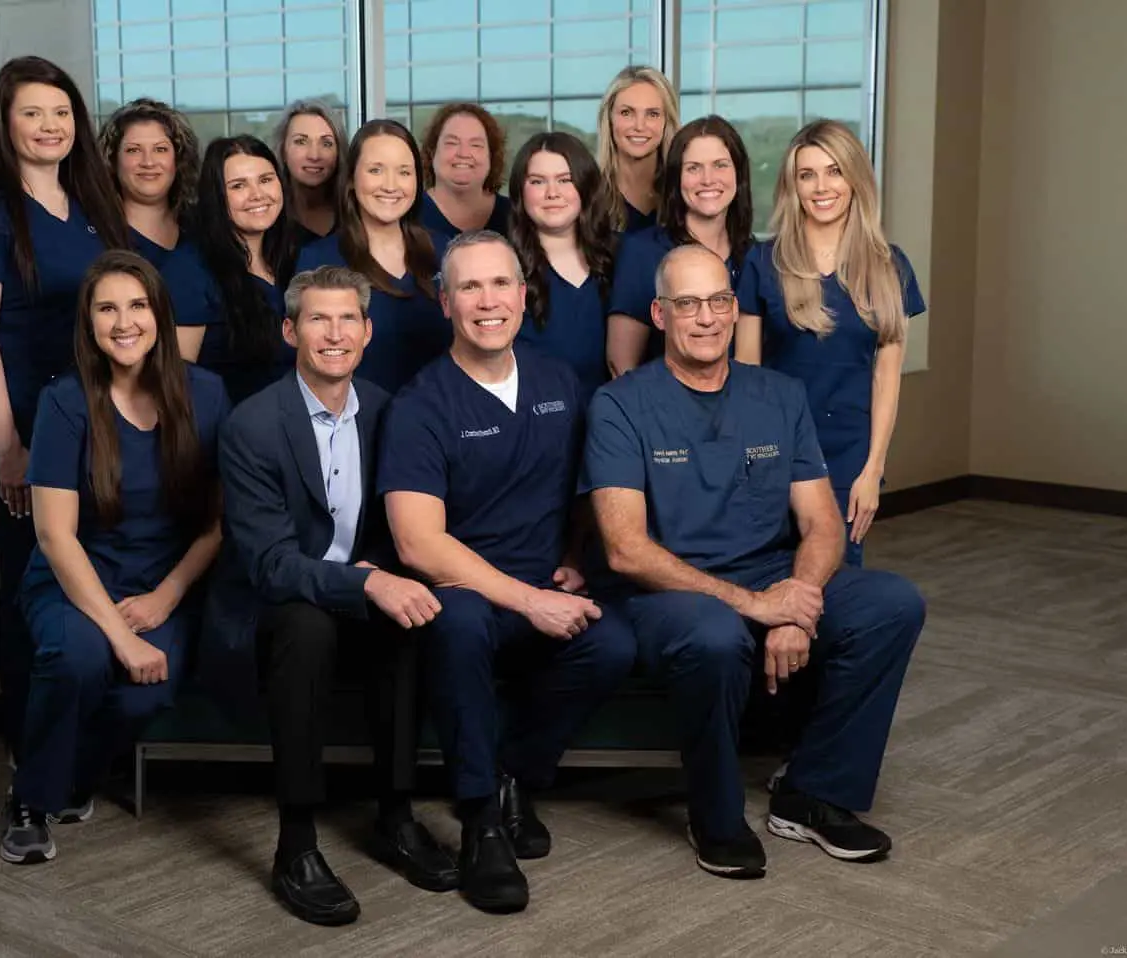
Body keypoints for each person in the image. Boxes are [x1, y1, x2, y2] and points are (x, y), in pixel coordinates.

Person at [582, 244, 925, 880]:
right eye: (687, 303)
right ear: (659, 314)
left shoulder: (779, 395)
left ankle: (815, 792)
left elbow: (822, 522)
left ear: (735, 308)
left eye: (718, 301)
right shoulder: (620, 405)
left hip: (773, 575)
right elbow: (626, 549)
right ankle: (715, 814)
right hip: (667, 593)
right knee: (713, 636)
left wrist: (799, 601)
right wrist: (754, 606)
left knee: (891, 604)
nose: (705, 317)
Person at [379, 230, 636, 914]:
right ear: (445, 302)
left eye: (501, 285)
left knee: (613, 644)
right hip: (467, 592)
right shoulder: (420, 405)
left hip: (544, 585)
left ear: (524, 296)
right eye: (469, 287)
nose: (487, 301)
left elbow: (589, 492)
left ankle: (513, 777)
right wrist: (527, 601)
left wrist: (578, 558)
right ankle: (481, 824)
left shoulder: (559, 383)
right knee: (457, 623)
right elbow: (416, 543)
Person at [199, 264, 458, 926]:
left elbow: (395, 526)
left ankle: (395, 817)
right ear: (291, 330)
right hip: (274, 603)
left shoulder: (386, 408)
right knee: (308, 626)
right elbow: (271, 564)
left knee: (406, 616)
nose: (334, 333)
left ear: (368, 331)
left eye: (348, 319)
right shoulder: (253, 426)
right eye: (318, 319)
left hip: (356, 586)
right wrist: (368, 581)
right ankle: (297, 842)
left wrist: (381, 579)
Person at [0, 251, 230, 865]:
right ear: (90, 322)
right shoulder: (67, 401)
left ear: (159, 314)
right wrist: (118, 634)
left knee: (144, 694)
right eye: (107, 308)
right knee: (78, 656)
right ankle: (30, 798)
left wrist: (166, 598)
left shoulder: (206, 393)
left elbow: (216, 524)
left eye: (137, 305)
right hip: (73, 579)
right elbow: (54, 535)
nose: (124, 322)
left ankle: (74, 776)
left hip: (164, 583)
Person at [0, 55, 129, 767]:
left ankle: (85, 744)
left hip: (93, 422)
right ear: (5, 121)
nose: (49, 126)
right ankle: (31, 754)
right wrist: (6, 445)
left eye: (60, 113)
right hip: (21, 425)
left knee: (95, 573)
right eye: (32, 112)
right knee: (31, 584)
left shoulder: (91, 204)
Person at [735, 120, 927, 566]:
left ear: (855, 178)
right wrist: (753, 462)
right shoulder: (763, 263)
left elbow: (886, 378)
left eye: (834, 171)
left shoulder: (890, 267)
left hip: (848, 458)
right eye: (807, 174)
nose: (822, 186)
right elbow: (746, 376)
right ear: (793, 185)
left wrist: (873, 468)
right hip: (776, 451)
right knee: (770, 578)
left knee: (835, 584)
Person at [296, 119, 451, 393]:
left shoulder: (448, 252)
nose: (391, 185)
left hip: (443, 419)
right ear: (352, 178)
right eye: (376, 170)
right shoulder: (318, 262)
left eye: (404, 172)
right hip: (360, 424)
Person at [607, 115, 754, 377]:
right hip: (659, 412)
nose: (708, 179)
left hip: (740, 412)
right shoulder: (643, 252)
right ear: (677, 179)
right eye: (694, 168)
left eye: (720, 165)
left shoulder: (754, 256)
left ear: (739, 175)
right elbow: (621, 363)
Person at [162, 136, 298, 403]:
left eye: (266, 179)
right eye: (238, 186)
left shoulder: (295, 257)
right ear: (217, 197)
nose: (257, 194)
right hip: (226, 434)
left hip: (292, 428)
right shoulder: (189, 271)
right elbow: (176, 381)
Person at [508, 131, 615, 400]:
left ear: (586, 186)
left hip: (615, 424)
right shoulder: (501, 266)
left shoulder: (624, 256)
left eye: (565, 180)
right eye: (537, 181)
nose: (552, 193)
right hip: (536, 423)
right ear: (520, 191)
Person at [97, 97, 201, 267]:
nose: (148, 162)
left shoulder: (201, 230)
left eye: (160, 149)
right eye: (133, 150)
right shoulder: (96, 238)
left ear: (179, 158)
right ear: (112, 160)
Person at [596, 66, 680, 236]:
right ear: (609, 119)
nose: (639, 126)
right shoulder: (588, 195)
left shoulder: (683, 191)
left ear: (667, 121)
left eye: (653, 114)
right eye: (627, 113)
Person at [419, 103, 512, 241]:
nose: (464, 153)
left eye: (476, 145)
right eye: (452, 143)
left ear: (491, 156)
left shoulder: (514, 217)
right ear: (432, 152)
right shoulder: (408, 215)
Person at [273, 99, 348, 244]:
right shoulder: (268, 216)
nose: (314, 155)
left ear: (339, 152)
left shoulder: (356, 213)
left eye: (326, 143)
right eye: (301, 141)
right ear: (283, 150)